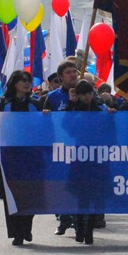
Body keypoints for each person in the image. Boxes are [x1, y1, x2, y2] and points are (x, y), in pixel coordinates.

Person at [0, 70, 42, 246]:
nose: (27, 84)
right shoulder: (4, 104)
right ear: (15, 84)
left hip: (31, 155)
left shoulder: (36, 104)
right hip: (11, 154)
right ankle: (16, 231)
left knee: (31, 192)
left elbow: (44, 128)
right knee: (13, 194)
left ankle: (26, 227)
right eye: (23, 81)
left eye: (28, 81)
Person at [63, 79, 106, 245]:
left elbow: (109, 127)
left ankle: (89, 232)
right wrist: (70, 104)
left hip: (97, 157)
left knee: (94, 195)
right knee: (81, 196)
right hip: (80, 156)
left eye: (89, 93)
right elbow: (66, 125)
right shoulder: (73, 108)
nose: (87, 97)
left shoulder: (100, 108)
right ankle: (79, 230)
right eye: (83, 94)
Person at [44, 60, 79, 235]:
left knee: (78, 184)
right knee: (60, 184)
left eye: (75, 71)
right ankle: (64, 218)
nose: (73, 75)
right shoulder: (52, 97)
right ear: (61, 77)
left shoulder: (86, 92)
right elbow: (45, 123)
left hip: (80, 148)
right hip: (59, 148)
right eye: (69, 72)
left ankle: (80, 220)